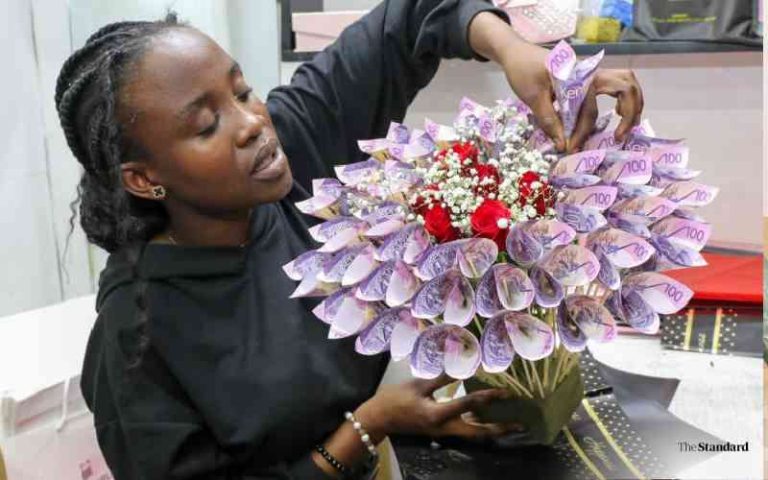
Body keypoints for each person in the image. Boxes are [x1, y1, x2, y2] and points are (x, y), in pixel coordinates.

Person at [56, 1, 643, 478]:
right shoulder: (135, 341)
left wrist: (516, 50)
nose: (252, 123)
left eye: (241, 91)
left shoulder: (290, 151)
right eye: (207, 125)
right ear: (144, 178)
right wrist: (366, 427)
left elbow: (409, 20)